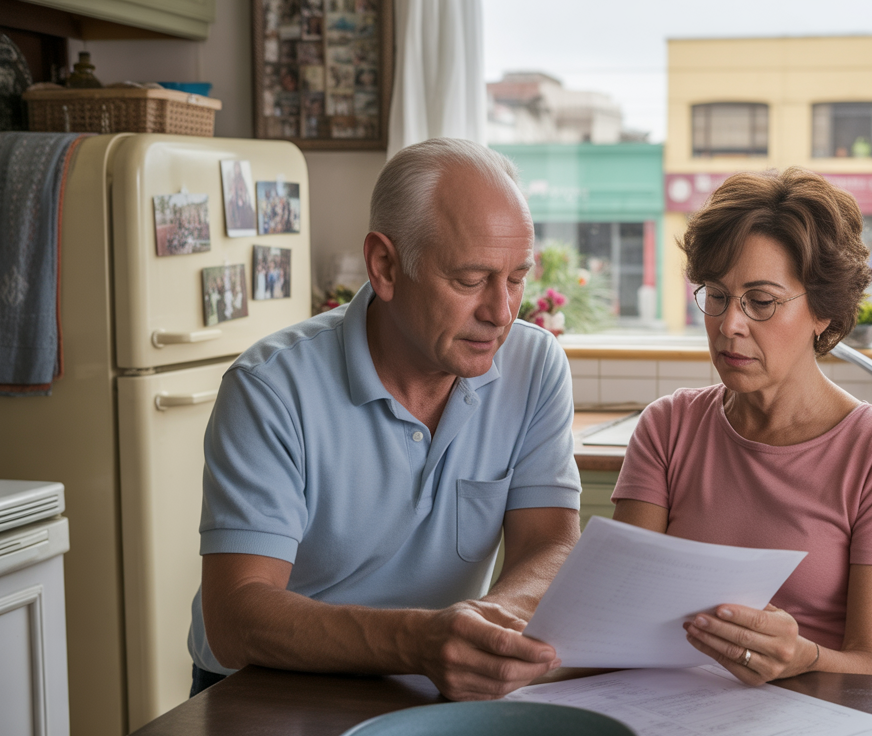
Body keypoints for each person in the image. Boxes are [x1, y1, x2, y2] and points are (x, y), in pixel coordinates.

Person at [188, 138, 581, 701]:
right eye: (471, 280)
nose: (501, 312)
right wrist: (420, 640)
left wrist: (481, 628)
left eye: (517, 278)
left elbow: (549, 547)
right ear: (385, 266)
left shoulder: (535, 366)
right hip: (269, 685)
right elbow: (235, 617)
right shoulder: (270, 387)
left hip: (433, 678)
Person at [611, 168, 872, 686]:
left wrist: (805, 656)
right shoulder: (668, 427)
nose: (729, 324)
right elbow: (617, 619)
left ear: (823, 313)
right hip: (667, 709)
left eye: (761, 301)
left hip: (820, 713)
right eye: (716, 295)